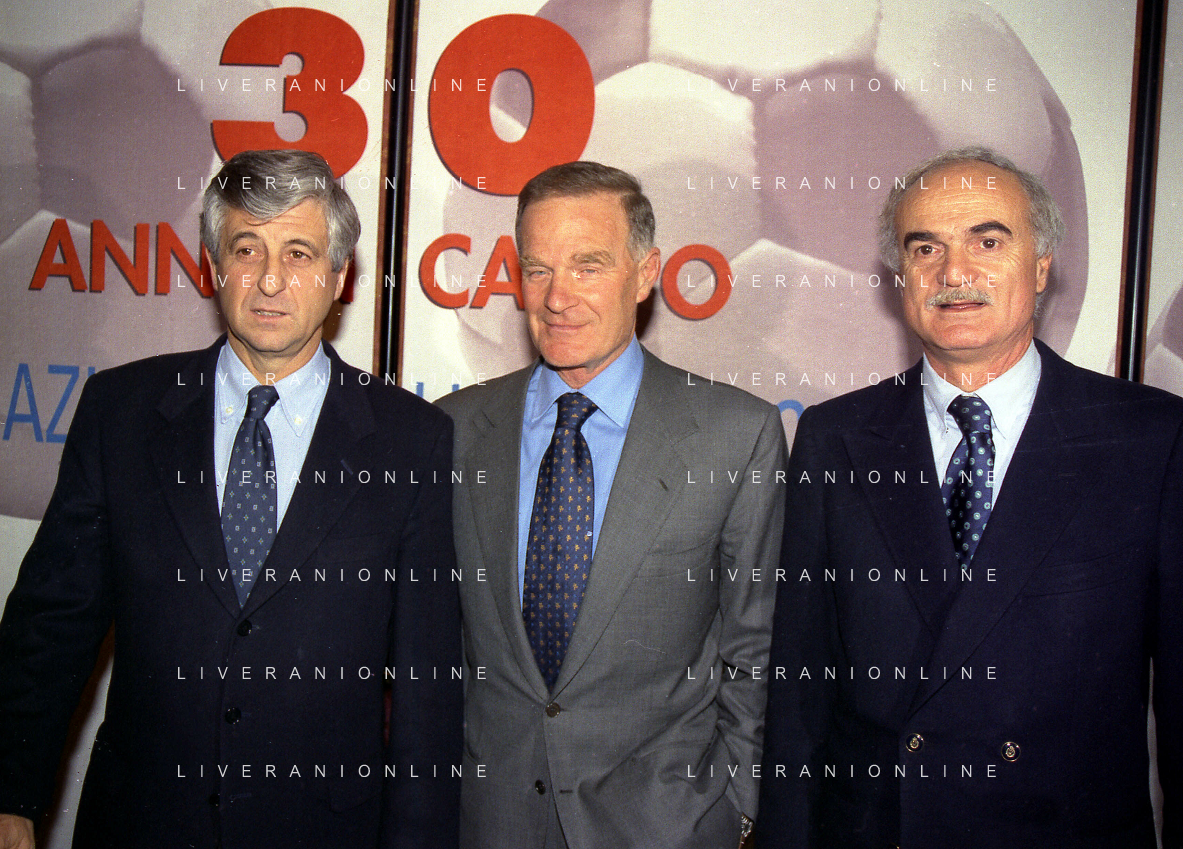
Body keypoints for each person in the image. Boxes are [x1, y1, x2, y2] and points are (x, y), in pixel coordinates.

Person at [0, 150, 462, 848]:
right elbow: (49, 628)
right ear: (212, 267)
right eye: (246, 248)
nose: (270, 279)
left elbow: (428, 689)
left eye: (298, 253)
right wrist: (5, 796)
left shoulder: (411, 442)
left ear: (339, 276)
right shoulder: (121, 412)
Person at [758, 146, 1183, 848]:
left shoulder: (1149, 439)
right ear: (900, 277)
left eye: (987, 242)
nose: (953, 273)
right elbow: (800, 692)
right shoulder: (835, 439)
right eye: (925, 248)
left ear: (1040, 266)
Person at [437, 161, 786, 848]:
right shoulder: (451, 430)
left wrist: (737, 809)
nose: (557, 296)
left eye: (587, 265)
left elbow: (757, 647)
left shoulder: (735, 434)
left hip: (666, 827)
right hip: (489, 824)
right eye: (537, 269)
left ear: (646, 272)